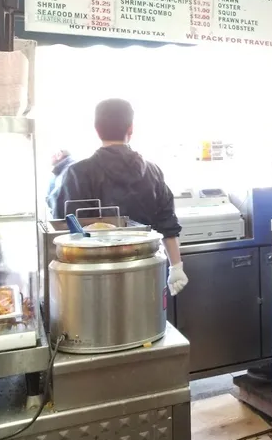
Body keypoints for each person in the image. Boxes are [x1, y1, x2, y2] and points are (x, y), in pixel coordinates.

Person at [52, 99, 188, 295]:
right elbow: (167, 222)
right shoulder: (153, 171)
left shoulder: (78, 173)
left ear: (96, 129)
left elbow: (65, 230)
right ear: (131, 129)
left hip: (93, 280)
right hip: (145, 271)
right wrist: (176, 267)